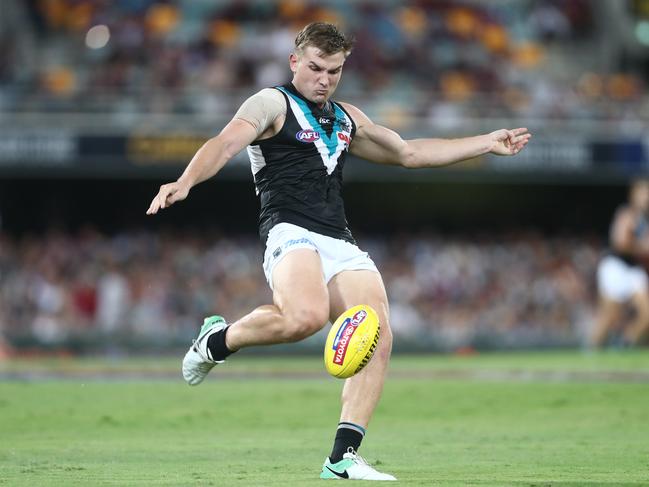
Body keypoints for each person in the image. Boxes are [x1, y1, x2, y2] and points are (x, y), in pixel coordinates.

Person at [147, 22, 531, 481]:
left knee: (379, 331)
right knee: (303, 319)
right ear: (295, 62)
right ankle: (216, 341)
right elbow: (225, 142)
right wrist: (186, 181)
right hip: (289, 230)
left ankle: (342, 459)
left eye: (334, 70)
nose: (324, 79)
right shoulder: (272, 103)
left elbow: (409, 153)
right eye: (315, 68)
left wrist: (486, 143)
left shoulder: (347, 117)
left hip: (338, 238)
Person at [591, 179, 649, 348]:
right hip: (615, 266)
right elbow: (619, 243)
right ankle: (591, 350)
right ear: (634, 196)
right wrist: (642, 248)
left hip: (633, 269)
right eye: (643, 193)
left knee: (647, 313)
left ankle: (623, 345)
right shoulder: (627, 215)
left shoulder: (645, 219)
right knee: (609, 316)